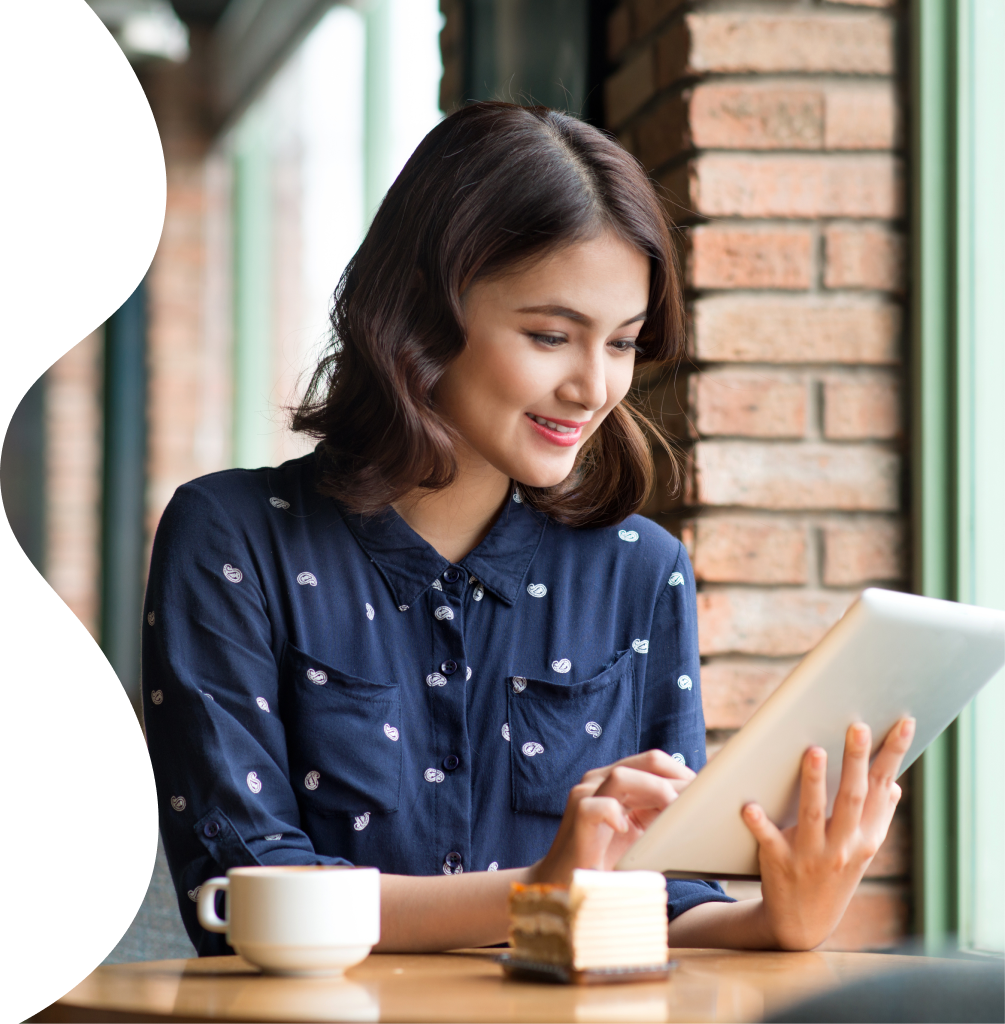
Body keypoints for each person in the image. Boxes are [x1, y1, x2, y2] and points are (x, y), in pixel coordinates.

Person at [143, 102, 914, 957]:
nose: (593, 387)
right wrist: (539, 893)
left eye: (620, 343)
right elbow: (240, 894)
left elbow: (661, 887)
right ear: (420, 316)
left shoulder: (640, 571)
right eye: (551, 335)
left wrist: (775, 918)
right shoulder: (232, 540)